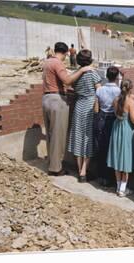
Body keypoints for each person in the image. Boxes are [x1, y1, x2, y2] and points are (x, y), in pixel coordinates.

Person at [42, 42, 92, 176]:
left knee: (51, 135)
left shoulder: (47, 62)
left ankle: (52, 163)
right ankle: (56, 168)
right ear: (65, 53)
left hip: (46, 99)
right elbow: (67, 81)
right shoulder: (58, 63)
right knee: (58, 135)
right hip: (56, 100)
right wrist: (81, 70)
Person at [67, 49, 102, 182]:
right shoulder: (93, 74)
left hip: (79, 105)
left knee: (78, 136)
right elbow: (99, 92)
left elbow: (70, 84)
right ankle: (84, 171)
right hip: (90, 106)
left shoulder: (76, 73)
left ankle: (79, 168)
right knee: (88, 138)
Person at [106, 79, 134, 197]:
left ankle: (118, 187)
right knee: (126, 158)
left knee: (117, 157)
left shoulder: (116, 100)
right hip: (126, 130)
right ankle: (123, 189)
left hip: (117, 128)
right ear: (130, 89)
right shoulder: (130, 102)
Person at [94, 66, 121, 186]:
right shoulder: (118, 91)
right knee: (112, 148)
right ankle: (110, 178)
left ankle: (101, 176)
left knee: (101, 147)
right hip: (112, 119)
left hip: (101, 117)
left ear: (107, 76)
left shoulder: (100, 90)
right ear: (116, 77)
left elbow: (96, 108)